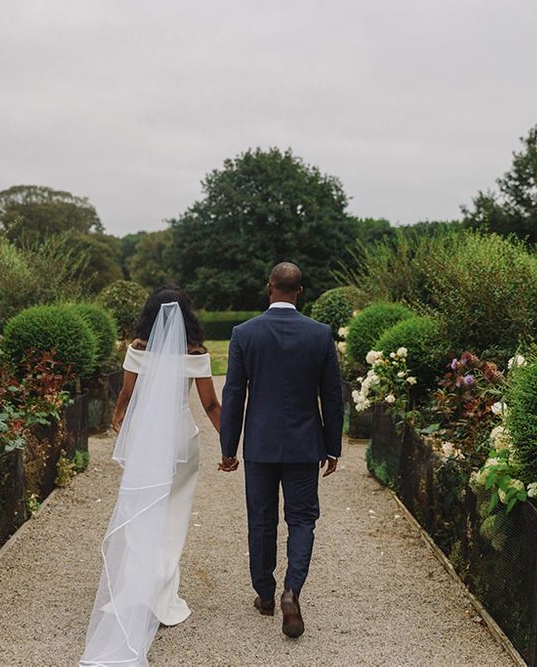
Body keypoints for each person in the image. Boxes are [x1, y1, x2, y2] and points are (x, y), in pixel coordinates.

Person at [79, 286, 222, 667]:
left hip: (146, 440)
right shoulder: (196, 354)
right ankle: (160, 599)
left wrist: (120, 423)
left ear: (148, 315)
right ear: (187, 316)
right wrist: (231, 445)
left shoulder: (137, 349)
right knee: (173, 520)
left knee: (143, 514)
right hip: (181, 440)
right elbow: (210, 405)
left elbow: (125, 396)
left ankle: (133, 595)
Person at [219, 262, 344, 639]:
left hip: (259, 444)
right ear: (300, 292)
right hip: (306, 445)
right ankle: (293, 591)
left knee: (261, 519)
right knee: (303, 519)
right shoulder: (320, 334)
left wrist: (229, 447)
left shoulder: (245, 333)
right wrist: (333, 446)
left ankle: (265, 595)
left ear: (269, 288)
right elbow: (333, 397)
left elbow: (234, 394)